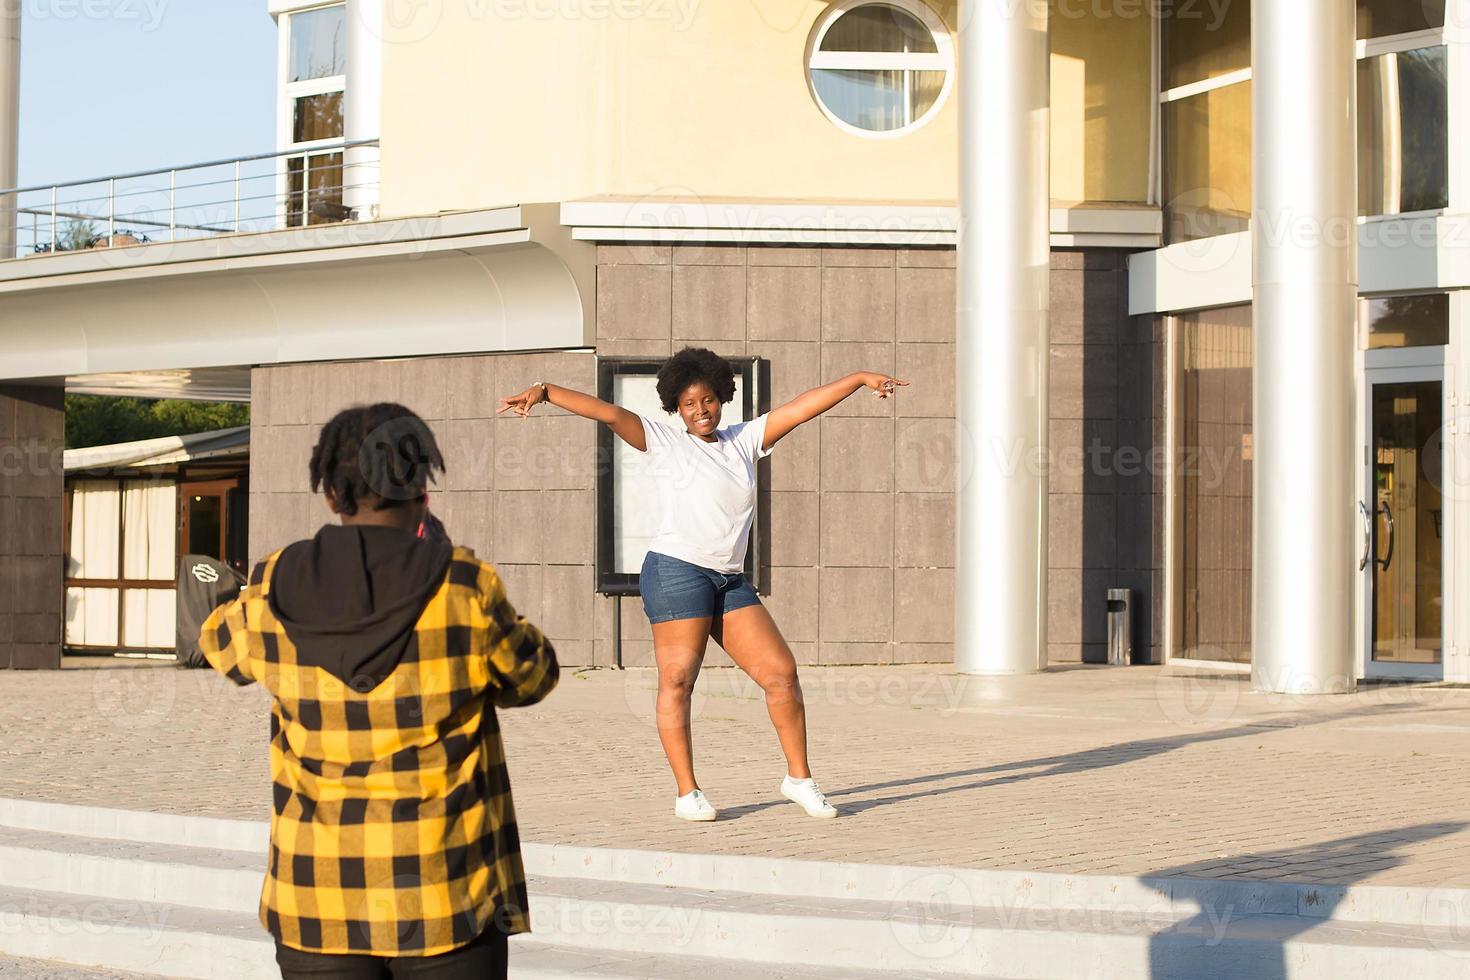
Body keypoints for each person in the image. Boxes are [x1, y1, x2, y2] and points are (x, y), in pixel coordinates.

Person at [199, 403, 558, 979]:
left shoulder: (273, 584)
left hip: (316, 899)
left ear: (332, 495)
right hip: (447, 895)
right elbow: (535, 676)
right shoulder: (461, 583)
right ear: (421, 486)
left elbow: (219, 648)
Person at [498, 348, 905, 822]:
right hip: (676, 571)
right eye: (689, 404)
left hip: (728, 579)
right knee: (677, 679)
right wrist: (545, 392)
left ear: (722, 398)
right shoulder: (664, 440)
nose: (701, 411)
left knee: (781, 674)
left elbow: (801, 407)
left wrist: (856, 377)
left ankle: (799, 779)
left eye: (708, 400)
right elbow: (609, 413)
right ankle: (688, 793)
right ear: (676, 406)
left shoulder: (745, 440)